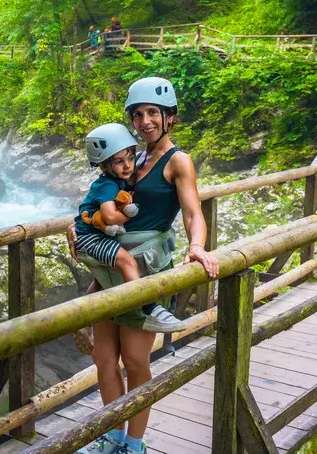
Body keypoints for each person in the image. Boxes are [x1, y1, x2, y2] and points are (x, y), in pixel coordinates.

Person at [66, 77, 219, 454]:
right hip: (110, 269)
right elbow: (102, 204)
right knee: (104, 359)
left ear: (170, 118)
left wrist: (197, 246)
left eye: (153, 113)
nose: (145, 120)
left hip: (145, 268)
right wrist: (76, 225)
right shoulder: (129, 157)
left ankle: (133, 444)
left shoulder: (177, 160)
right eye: (138, 114)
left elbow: (192, 212)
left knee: (135, 361)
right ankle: (111, 436)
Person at [74, 123, 186, 334]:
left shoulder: (118, 180)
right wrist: (129, 213)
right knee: (125, 261)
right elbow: (108, 216)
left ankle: (83, 320)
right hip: (91, 237)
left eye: (131, 158)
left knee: (101, 280)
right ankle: (147, 307)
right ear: (104, 165)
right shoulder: (107, 185)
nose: (127, 166)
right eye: (119, 161)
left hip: (91, 234)